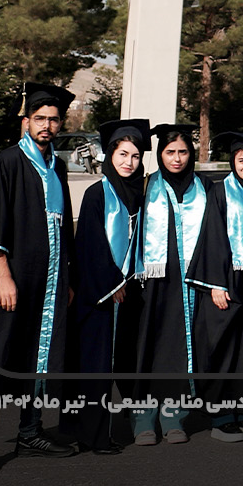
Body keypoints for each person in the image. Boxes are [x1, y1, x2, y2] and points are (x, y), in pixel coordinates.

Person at [0, 84, 82, 473]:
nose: (47, 126)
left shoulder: (57, 166)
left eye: (53, 119)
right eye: (39, 118)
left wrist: (67, 278)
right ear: (27, 121)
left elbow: (63, 225)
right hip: (14, 279)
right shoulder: (9, 162)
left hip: (50, 281)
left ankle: (30, 432)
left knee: (38, 355)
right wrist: (3, 276)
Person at [60, 118, 148, 457]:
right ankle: (93, 436)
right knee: (96, 366)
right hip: (100, 295)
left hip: (130, 291)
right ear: (110, 155)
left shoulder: (139, 193)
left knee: (122, 359)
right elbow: (90, 243)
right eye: (123, 154)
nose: (129, 162)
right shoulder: (97, 193)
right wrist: (112, 283)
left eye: (135, 156)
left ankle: (127, 421)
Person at [188, 130, 243, 443]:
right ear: (233, 161)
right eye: (242, 160)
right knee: (223, 347)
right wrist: (216, 283)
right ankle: (222, 416)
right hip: (228, 282)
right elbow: (211, 236)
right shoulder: (220, 191)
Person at [132, 123, 207, 447]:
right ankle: (142, 416)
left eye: (183, 152)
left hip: (188, 283)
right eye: (170, 152)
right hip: (152, 284)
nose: (177, 158)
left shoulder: (203, 187)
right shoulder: (144, 186)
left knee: (179, 349)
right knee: (148, 347)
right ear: (160, 154)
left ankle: (173, 415)